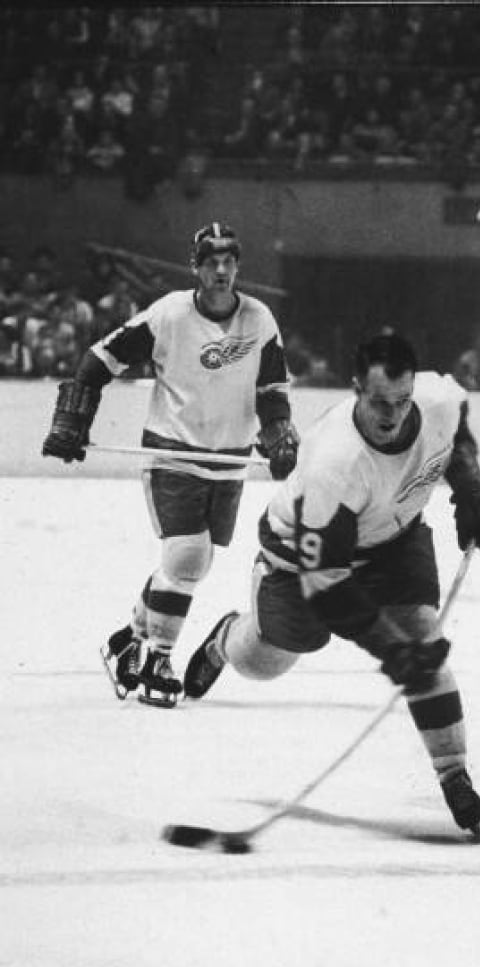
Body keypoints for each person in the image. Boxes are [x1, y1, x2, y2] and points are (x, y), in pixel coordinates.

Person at [182, 330, 480, 836]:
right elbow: (328, 583)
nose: (392, 416)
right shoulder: (332, 464)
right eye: (380, 402)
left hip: (393, 541)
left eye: (401, 402)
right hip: (300, 562)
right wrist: (389, 650)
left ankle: (454, 775)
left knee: (425, 637)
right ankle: (227, 639)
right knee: (272, 657)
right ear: (357, 389)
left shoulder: (437, 397)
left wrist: (470, 484)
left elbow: (455, 430)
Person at [41, 221, 300, 705]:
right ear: (196, 267)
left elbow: (271, 390)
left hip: (229, 461)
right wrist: (72, 419)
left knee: (192, 566)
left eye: (229, 261)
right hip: (173, 454)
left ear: (237, 266)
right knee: (186, 558)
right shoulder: (169, 315)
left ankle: (126, 642)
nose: (221, 269)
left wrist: (278, 431)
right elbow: (100, 361)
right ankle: (160, 658)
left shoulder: (260, 319)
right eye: (211, 261)